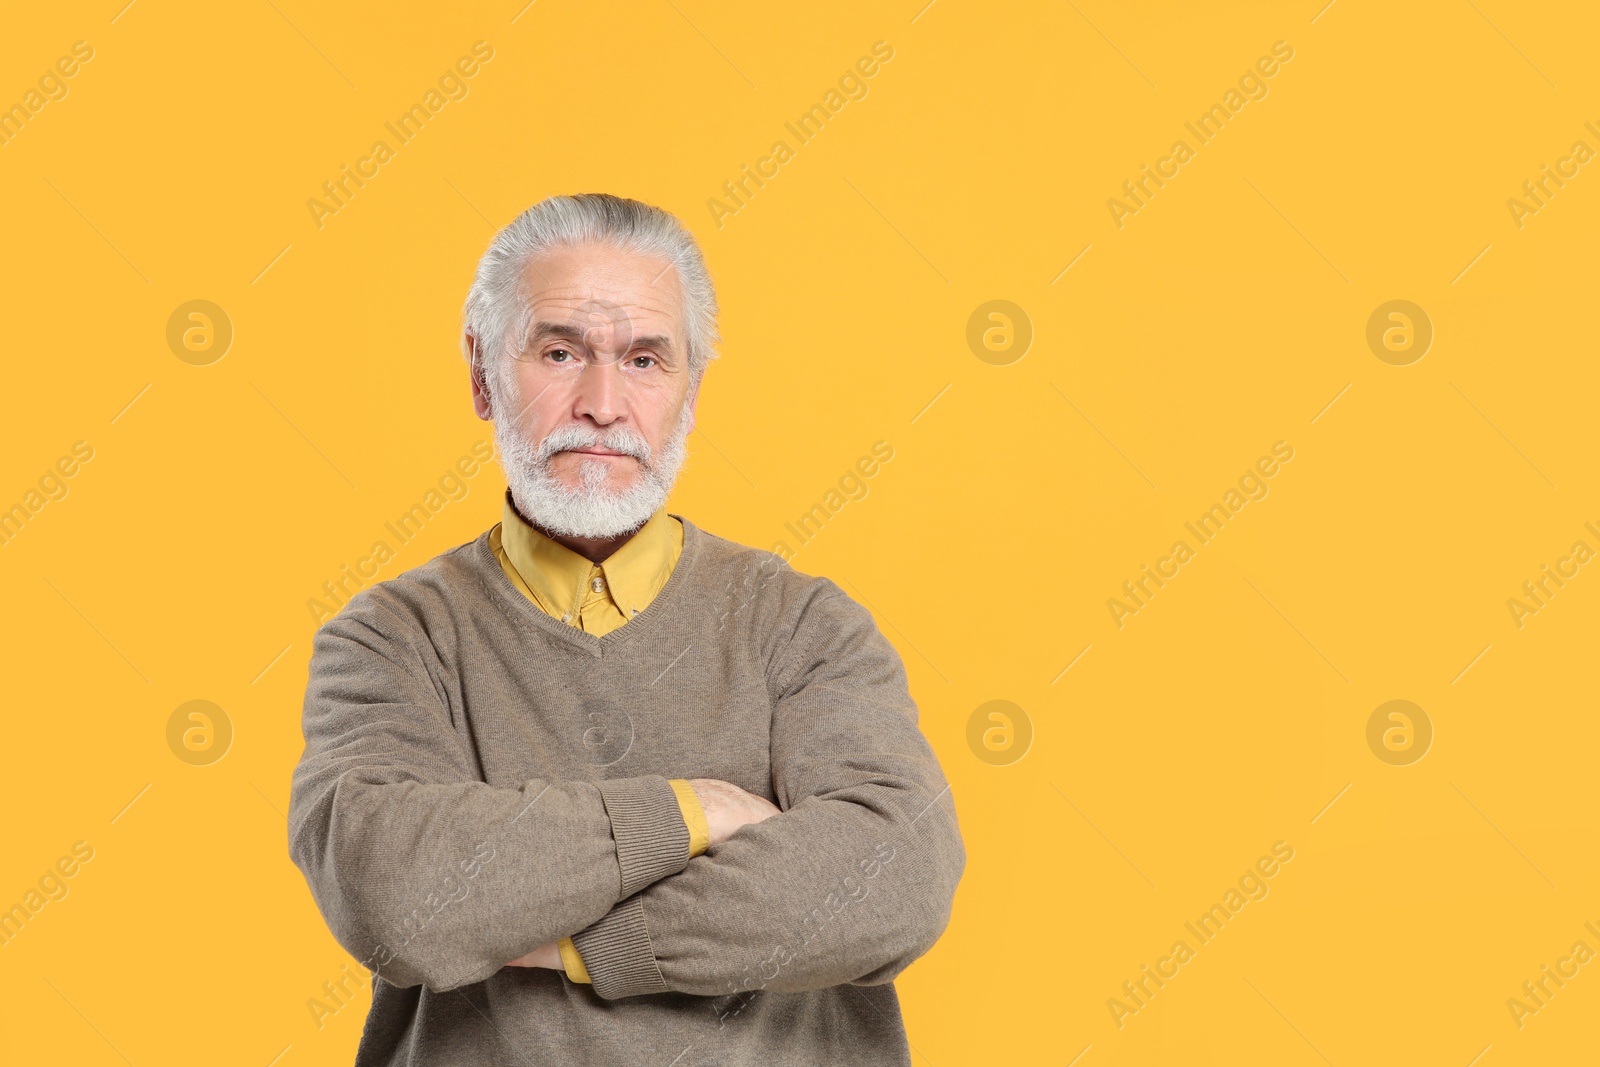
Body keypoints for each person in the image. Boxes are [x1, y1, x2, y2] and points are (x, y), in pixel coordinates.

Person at [286, 192, 965, 1066]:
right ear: (483, 373)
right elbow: (396, 894)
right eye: (561, 350)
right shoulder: (388, 640)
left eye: (645, 358)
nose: (602, 403)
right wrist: (696, 810)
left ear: (691, 391)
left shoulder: (804, 624)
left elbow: (895, 879)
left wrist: (567, 940)